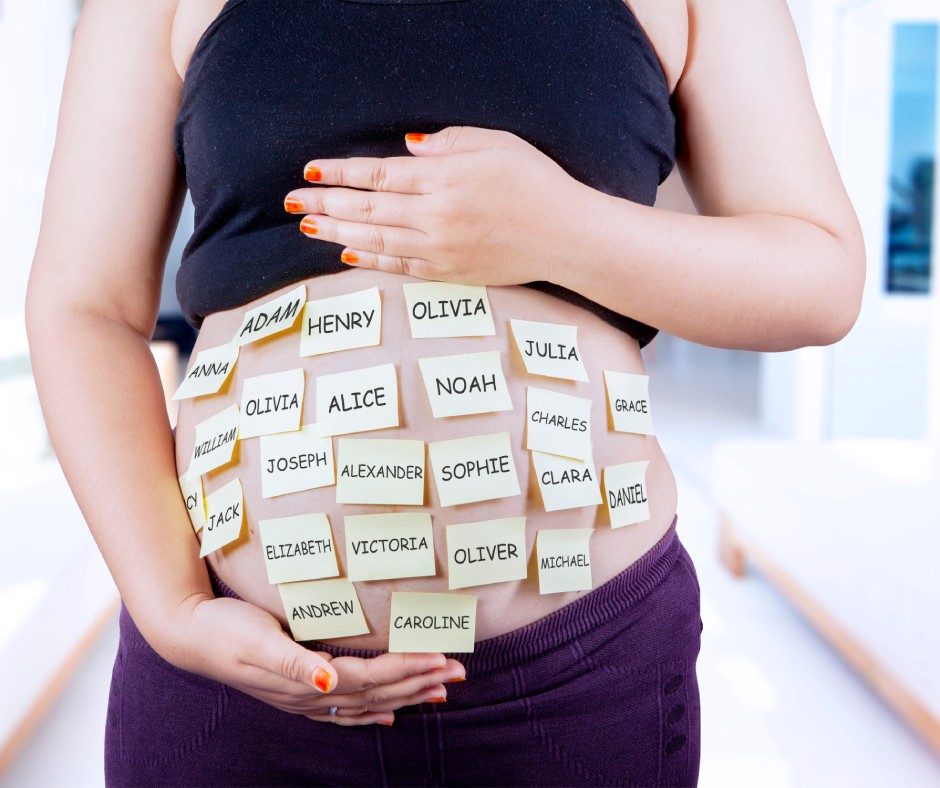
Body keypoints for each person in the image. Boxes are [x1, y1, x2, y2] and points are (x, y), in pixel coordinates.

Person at [26, 0, 864, 785]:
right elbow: (83, 305)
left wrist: (562, 230)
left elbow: (821, 275)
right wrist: (171, 607)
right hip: (231, 681)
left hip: (584, 676)